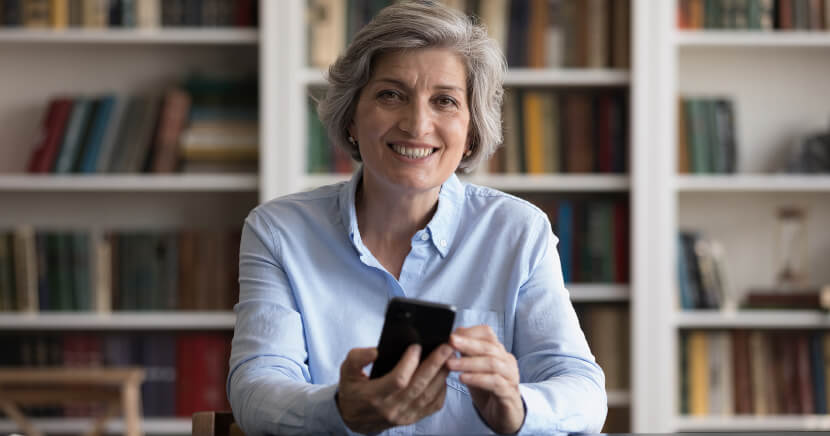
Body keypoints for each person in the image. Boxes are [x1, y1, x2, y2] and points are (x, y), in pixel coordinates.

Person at [227, 1, 607, 434]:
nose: (417, 124)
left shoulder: (519, 232)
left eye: (444, 101)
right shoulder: (279, 232)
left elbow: (585, 393)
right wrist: (338, 409)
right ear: (352, 116)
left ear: (470, 133)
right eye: (391, 95)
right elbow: (255, 386)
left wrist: (518, 406)